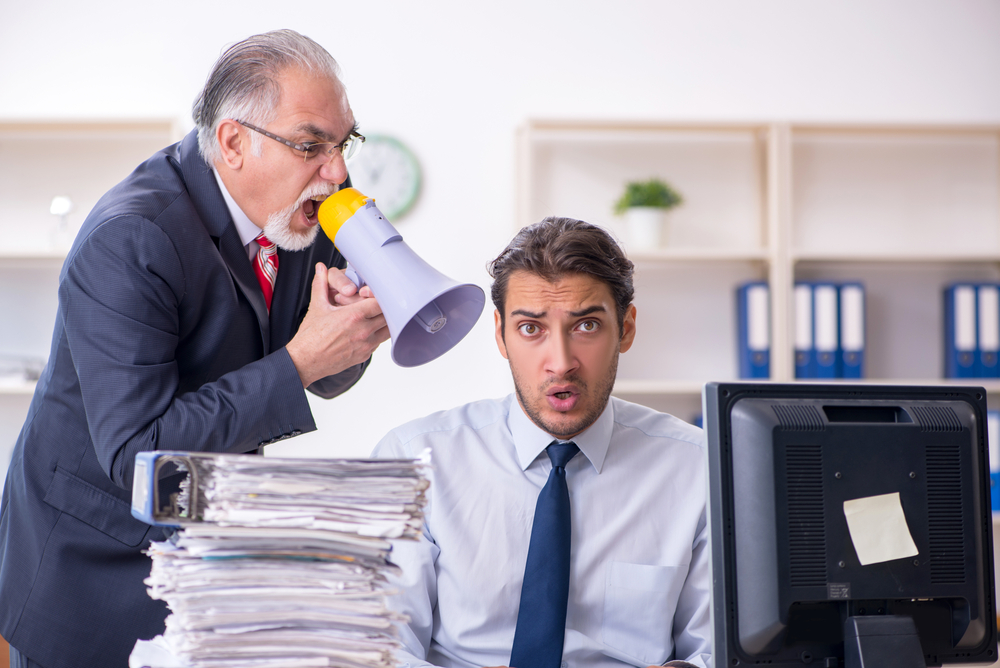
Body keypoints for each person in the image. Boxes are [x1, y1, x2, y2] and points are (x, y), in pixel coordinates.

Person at [0, 30, 389, 668]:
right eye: (311, 144)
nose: (337, 170)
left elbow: (320, 374)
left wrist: (353, 333)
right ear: (234, 142)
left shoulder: (293, 212)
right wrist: (306, 359)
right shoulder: (132, 237)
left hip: (205, 548)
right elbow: (140, 463)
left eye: (343, 143)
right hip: (93, 568)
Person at [373, 217, 711, 668]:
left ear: (626, 329)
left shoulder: (699, 468)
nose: (561, 363)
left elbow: (719, 648)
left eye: (586, 326)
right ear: (501, 335)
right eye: (531, 328)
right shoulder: (414, 460)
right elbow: (382, 647)